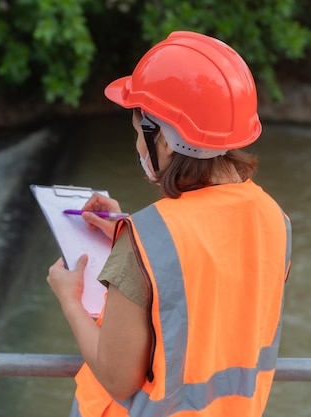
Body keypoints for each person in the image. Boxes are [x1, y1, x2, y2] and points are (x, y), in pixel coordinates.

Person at [47, 31, 292, 417]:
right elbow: (213, 287)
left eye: (138, 134)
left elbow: (118, 377)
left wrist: (70, 299)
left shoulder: (147, 236)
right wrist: (132, 238)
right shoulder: (276, 220)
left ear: (161, 137)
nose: (139, 149)